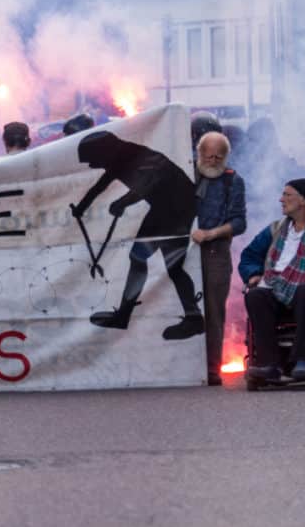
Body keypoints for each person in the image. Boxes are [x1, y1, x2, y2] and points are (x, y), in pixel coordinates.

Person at [71, 131, 203, 338]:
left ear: (103, 152)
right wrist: (81, 208)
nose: (93, 165)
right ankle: (190, 317)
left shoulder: (132, 155)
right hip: (167, 208)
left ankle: (191, 318)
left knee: (157, 262)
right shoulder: (120, 156)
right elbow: (100, 186)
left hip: (175, 209)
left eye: (94, 160)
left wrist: (121, 203)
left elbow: (147, 185)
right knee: (151, 262)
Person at [239, 179, 305, 381]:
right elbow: (249, 255)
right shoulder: (277, 229)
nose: (281, 199)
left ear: (303, 200)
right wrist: (253, 273)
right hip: (277, 287)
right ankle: (269, 363)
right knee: (255, 296)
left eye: (287, 195)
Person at [192, 132, 246, 386]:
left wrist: (211, 233)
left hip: (215, 253)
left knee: (213, 312)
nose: (212, 161)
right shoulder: (186, 174)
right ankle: (185, 365)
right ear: (199, 153)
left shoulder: (232, 181)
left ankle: (211, 368)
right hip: (185, 251)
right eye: (208, 155)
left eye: (218, 156)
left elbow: (239, 222)